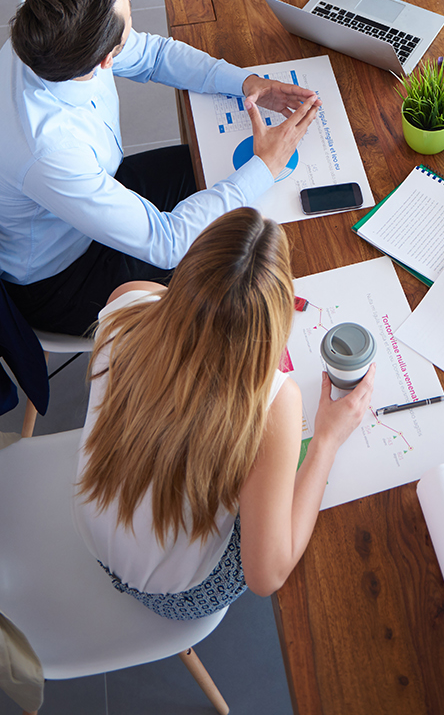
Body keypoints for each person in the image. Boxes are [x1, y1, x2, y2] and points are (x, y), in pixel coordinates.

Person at [0, 0, 319, 335]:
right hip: (62, 279)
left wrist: (246, 82)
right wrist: (265, 164)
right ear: (106, 60)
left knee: (211, 168)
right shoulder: (50, 151)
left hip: (76, 207)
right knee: (238, 263)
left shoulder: (47, 37)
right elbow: (168, 242)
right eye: (125, 3)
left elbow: (154, 55)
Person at [76, 207, 375, 616]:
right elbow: (266, 577)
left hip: (96, 529)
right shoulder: (273, 403)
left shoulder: (127, 301)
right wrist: (327, 440)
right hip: (176, 594)